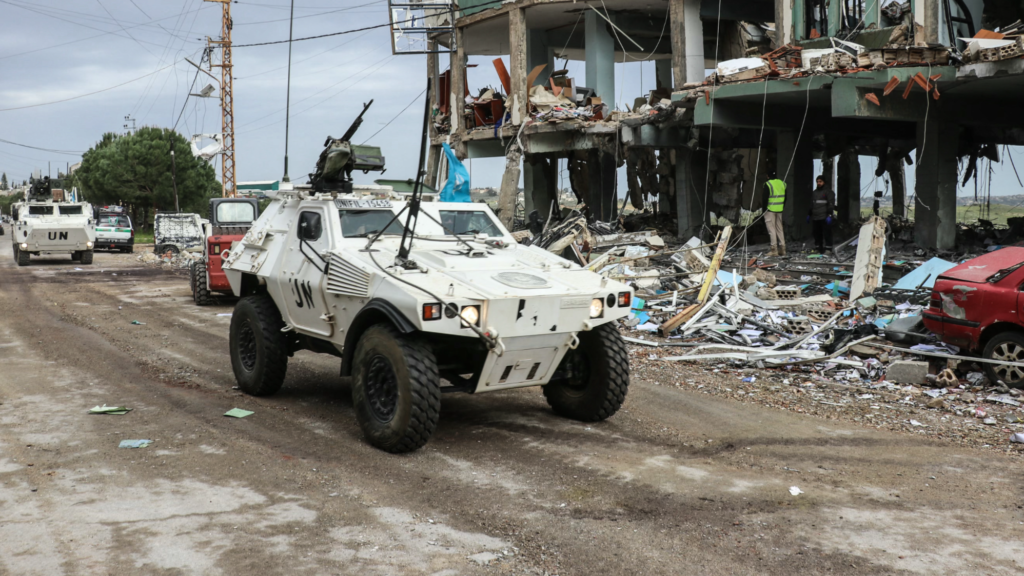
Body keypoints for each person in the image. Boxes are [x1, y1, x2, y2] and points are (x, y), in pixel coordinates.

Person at [808, 174, 835, 253]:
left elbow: (831, 204)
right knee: (817, 234)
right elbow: (812, 204)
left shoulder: (828, 192)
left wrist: (829, 215)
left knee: (827, 233)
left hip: (824, 217)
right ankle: (818, 248)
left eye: (820, 181)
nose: (818, 183)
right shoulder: (815, 192)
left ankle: (828, 249)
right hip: (816, 217)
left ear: (824, 182)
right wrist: (809, 214)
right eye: (817, 182)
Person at [762, 170, 786, 256]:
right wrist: (782, 207)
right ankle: (782, 249)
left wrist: (763, 210)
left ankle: (774, 250)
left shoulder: (768, 184)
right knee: (779, 229)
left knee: (771, 230)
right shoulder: (783, 183)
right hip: (780, 209)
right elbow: (785, 197)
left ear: (767, 176)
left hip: (770, 210)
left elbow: (765, 199)